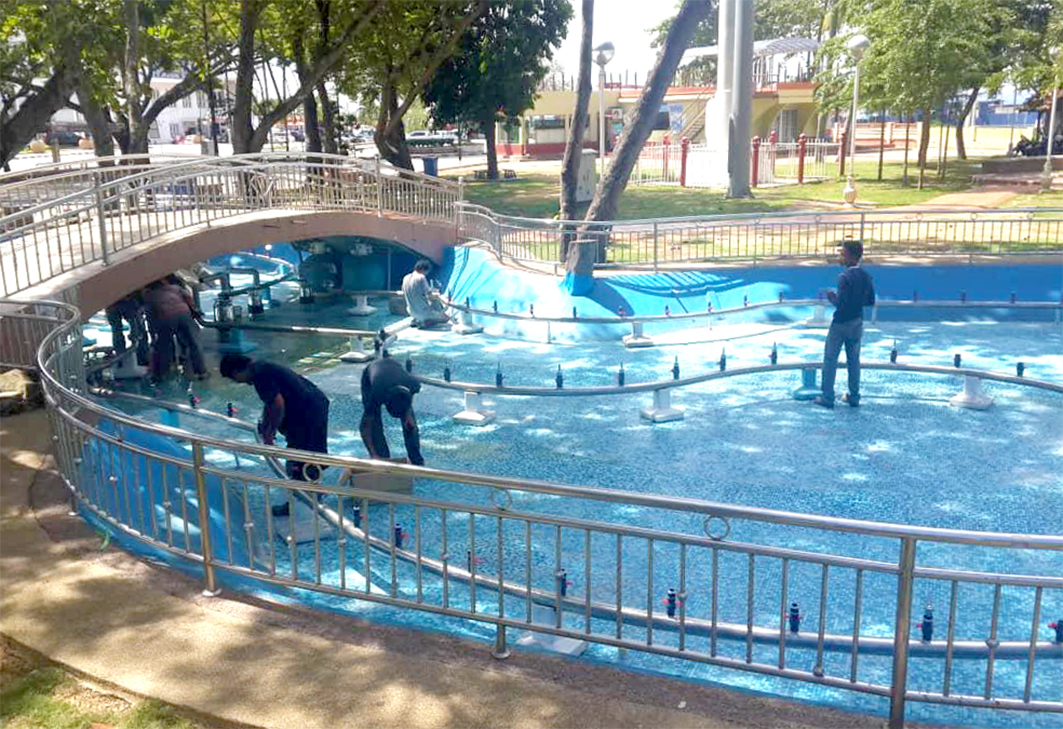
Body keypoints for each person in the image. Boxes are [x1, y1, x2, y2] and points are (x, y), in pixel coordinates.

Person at [220, 354, 331, 516]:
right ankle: (310, 496)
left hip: (308, 413)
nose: (237, 382)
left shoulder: (260, 375)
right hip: (315, 405)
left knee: (299, 457)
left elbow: (277, 404)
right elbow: (270, 402)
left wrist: (269, 435)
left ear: (236, 371)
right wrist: (265, 425)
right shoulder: (262, 367)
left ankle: (303, 504)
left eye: (234, 378)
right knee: (307, 453)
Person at [814, 240, 876, 409]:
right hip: (857, 322)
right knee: (854, 361)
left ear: (851, 256)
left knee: (830, 359)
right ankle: (854, 396)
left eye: (843, 254)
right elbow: (870, 301)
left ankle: (827, 397)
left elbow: (841, 305)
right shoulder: (866, 276)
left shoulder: (844, 277)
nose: (841, 257)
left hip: (840, 323)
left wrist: (832, 297)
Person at [360, 356, 424, 466]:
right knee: (374, 423)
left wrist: (407, 415)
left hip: (394, 370)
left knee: (410, 425)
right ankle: (382, 457)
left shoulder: (414, 384)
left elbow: (409, 400)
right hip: (372, 374)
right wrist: (373, 454)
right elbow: (365, 428)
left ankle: (416, 459)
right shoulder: (376, 394)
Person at [143, 277, 207, 380]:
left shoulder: (149, 295)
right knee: (194, 343)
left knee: (164, 346)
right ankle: (201, 372)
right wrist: (196, 312)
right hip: (184, 314)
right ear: (163, 282)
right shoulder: (175, 288)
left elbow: (150, 315)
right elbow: (189, 299)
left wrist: (153, 333)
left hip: (165, 317)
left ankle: (162, 373)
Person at [401, 259, 450, 328]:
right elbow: (430, 295)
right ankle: (425, 322)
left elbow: (405, 292)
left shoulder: (405, 277)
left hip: (411, 312)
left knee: (425, 304)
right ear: (424, 269)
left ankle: (417, 319)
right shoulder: (421, 277)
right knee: (446, 318)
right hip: (423, 312)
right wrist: (438, 294)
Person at [105, 293, 149, 366]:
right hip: (129, 300)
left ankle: (121, 360)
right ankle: (142, 357)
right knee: (137, 330)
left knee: (117, 331)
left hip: (112, 302)